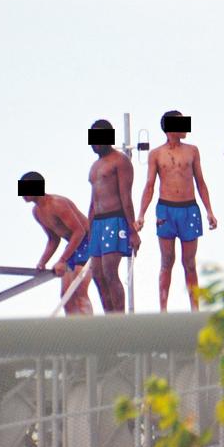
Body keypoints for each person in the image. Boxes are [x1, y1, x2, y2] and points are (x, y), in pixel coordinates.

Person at [136, 111, 218, 311]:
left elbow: (200, 181)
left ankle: (195, 308)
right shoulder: (156, 154)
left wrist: (209, 210)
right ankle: (163, 308)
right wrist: (141, 214)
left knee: (189, 263)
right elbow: (149, 185)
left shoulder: (192, 151)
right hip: (166, 209)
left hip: (189, 209)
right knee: (167, 261)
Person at [18, 172, 94, 316]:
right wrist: (43, 261)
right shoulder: (37, 212)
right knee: (66, 296)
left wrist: (62, 260)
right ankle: (75, 332)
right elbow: (53, 239)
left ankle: (89, 330)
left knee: (78, 291)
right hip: (73, 246)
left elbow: (80, 231)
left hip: (89, 241)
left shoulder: (56, 203)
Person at [87, 119, 141, 313]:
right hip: (98, 224)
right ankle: (109, 317)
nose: (94, 145)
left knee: (110, 271)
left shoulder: (120, 161)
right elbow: (93, 202)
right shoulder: (95, 166)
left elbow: (126, 197)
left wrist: (133, 231)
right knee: (97, 274)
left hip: (115, 220)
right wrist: (89, 229)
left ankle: (119, 318)